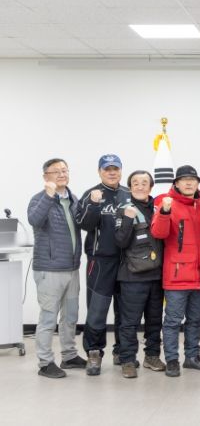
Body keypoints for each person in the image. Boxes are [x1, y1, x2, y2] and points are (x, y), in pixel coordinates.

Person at [151, 165, 200, 377]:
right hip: (177, 275)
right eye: (184, 179)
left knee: (195, 320)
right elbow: (158, 233)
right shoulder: (166, 203)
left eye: (193, 180)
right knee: (172, 321)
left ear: (197, 184)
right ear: (176, 183)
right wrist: (164, 212)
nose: (189, 183)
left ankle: (192, 357)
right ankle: (171, 360)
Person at [27, 158, 86, 378]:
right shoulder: (39, 199)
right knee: (48, 318)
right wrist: (48, 194)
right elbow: (35, 220)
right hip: (49, 269)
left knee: (70, 316)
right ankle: (45, 363)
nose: (62, 174)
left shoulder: (73, 199)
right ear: (46, 176)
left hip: (71, 268)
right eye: (56, 171)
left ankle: (69, 356)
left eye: (65, 170)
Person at [75, 154, 130, 376]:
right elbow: (83, 224)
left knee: (125, 310)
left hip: (127, 261)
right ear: (100, 171)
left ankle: (122, 351)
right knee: (97, 309)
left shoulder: (129, 193)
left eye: (115, 168)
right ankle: (94, 352)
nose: (112, 172)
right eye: (107, 169)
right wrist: (94, 204)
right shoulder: (91, 194)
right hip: (100, 261)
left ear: (121, 170)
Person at [114, 170, 165, 378]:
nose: (140, 186)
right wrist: (127, 219)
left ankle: (152, 356)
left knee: (155, 321)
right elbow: (120, 242)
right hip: (132, 277)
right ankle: (127, 360)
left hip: (157, 276)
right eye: (135, 183)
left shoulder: (159, 209)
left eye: (144, 182)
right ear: (130, 187)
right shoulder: (124, 209)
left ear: (151, 187)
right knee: (129, 322)